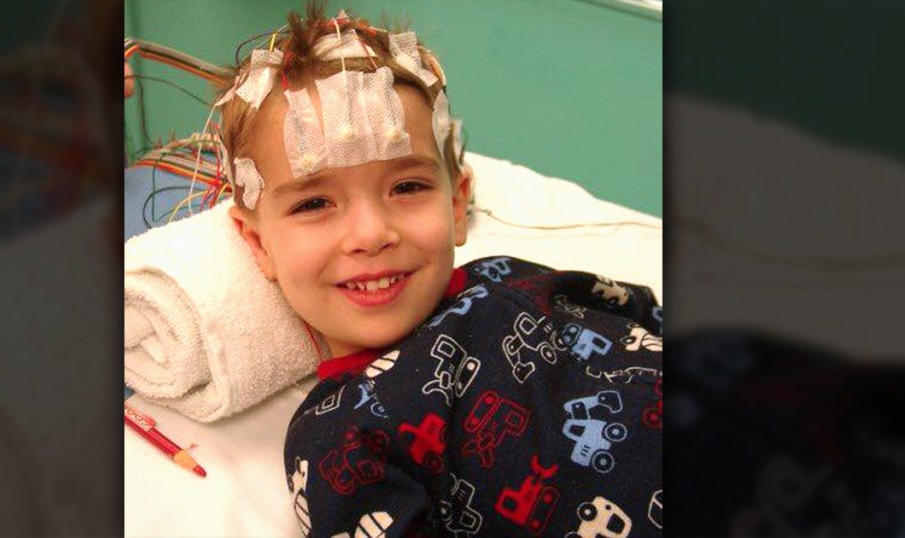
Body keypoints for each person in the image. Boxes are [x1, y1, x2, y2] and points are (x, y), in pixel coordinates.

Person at [219, 4, 662, 536]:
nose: (371, 234)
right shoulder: (341, 435)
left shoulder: (510, 274)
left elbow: (640, 312)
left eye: (407, 188)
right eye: (314, 204)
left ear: (457, 205)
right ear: (257, 243)